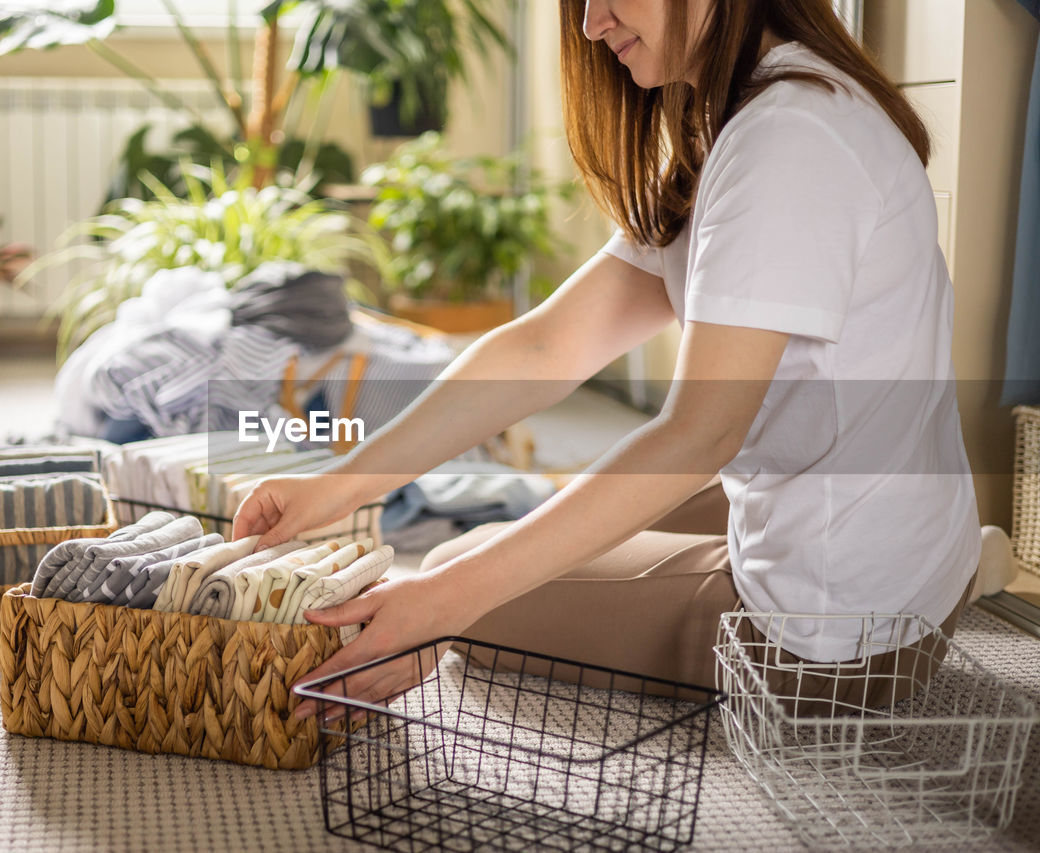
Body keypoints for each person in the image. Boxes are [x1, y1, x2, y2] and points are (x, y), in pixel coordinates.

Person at [232, 0, 982, 716]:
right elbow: (546, 346)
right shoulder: (765, 108)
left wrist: (447, 605)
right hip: (891, 551)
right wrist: (337, 487)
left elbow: (698, 438)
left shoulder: (788, 141)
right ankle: (970, 565)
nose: (591, 24)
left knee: (456, 570)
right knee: (543, 529)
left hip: (834, 643)